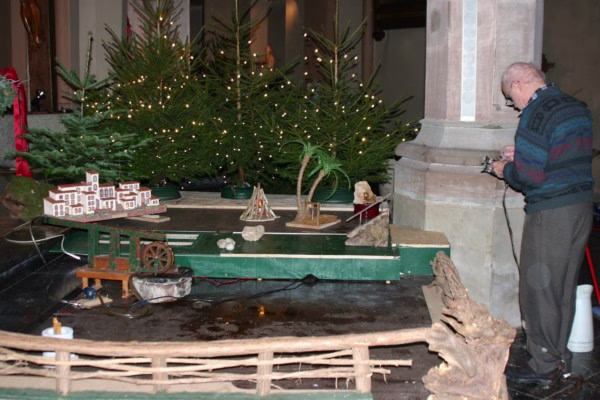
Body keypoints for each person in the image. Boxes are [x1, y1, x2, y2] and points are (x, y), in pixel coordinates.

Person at [492, 62, 594, 385]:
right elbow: (557, 154)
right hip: (580, 207)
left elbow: (529, 177)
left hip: (551, 213)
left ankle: (542, 365)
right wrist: (523, 153)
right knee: (562, 287)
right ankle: (558, 357)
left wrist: (503, 169)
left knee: (539, 288)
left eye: (511, 98)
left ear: (518, 85)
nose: (514, 106)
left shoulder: (535, 112)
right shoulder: (574, 107)